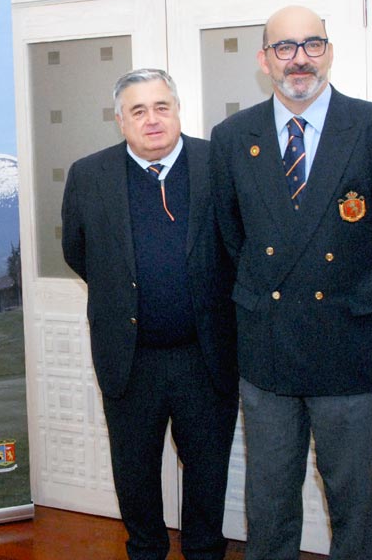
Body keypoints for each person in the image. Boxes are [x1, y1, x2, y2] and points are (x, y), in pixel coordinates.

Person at [210, 5, 372, 560]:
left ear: (329, 52)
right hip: (268, 355)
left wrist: (358, 293)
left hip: (348, 350)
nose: (298, 59)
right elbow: (232, 239)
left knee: (356, 507)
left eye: (311, 44)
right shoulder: (233, 137)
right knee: (270, 504)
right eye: (284, 47)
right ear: (264, 60)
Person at [61, 68, 239, 560]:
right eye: (138, 110)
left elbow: (241, 245)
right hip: (130, 359)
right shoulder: (88, 175)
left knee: (207, 474)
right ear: (121, 121)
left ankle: (204, 552)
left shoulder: (217, 164)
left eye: (162, 107)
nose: (152, 119)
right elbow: (79, 252)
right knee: (135, 475)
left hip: (205, 358)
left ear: (178, 111)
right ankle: (146, 551)